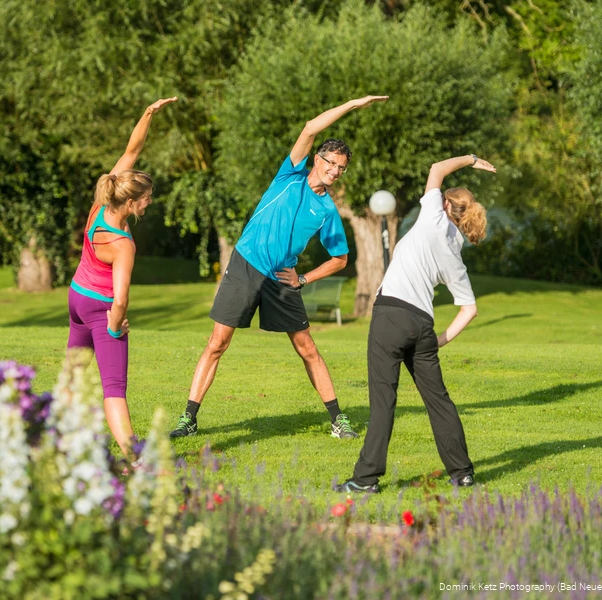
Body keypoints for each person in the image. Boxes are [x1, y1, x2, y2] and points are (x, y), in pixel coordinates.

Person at [168, 95, 391, 440]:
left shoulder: (328, 210)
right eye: (330, 163)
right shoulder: (290, 175)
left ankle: (337, 419)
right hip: (246, 265)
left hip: (282, 279)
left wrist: (304, 278)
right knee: (217, 344)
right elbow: (310, 128)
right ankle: (188, 419)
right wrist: (352, 105)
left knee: (307, 348)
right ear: (317, 159)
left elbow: (341, 259)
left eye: (341, 167)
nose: (334, 170)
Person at [334, 153, 496, 493]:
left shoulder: (432, 218)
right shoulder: (455, 250)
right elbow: (469, 309)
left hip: (391, 315)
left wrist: (471, 159)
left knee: (383, 402)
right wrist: (438, 340)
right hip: (422, 325)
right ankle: (463, 473)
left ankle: (365, 480)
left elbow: (436, 168)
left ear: (444, 203)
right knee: (439, 401)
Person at [67, 97, 177, 463]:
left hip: (77, 299)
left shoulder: (100, 206)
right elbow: (122, 293)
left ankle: (59, 443)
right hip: (101, 307)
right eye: (146, 199)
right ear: (131, 202)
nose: (149, 203)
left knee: (76, 377)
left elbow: (132, 151)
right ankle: (136, 460)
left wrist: (147, 114)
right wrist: (116, 321)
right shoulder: (123, 244)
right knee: (113, 388)